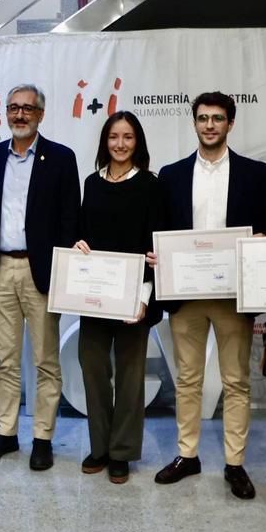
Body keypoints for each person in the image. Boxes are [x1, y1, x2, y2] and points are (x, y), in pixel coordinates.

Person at [150, 91, 266, 499]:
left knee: (236, 381)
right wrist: (155, 256)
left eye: (217, 118)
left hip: (232, 294)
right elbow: (159, 229)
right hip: (184, 294)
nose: (209, 125)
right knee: (187, 379)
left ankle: (234, 464)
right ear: (194, 123)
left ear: (230, 124)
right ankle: (187, 455)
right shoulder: (170, 175)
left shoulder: (256, 174)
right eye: (203, 118)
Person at [0, 83, 80, 471]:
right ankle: (5, 433)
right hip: (0, 270)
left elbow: (70, 219)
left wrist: (63, 274)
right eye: (13, 108)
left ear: (41, 114)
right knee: (4, 360)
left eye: (28, 109)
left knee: (46, 361)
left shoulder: (61, 158)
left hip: (42, 272)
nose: (20, 115)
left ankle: (42, 438)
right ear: (6, 112)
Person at [73, 111, 163, 484]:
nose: (120, 144)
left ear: (137, 142)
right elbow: (84, 231)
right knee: (92, 367)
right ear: (104, 141)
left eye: (127, 137)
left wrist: (144, 297)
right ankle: (100, 446)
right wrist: (78, 245)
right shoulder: (92, 183)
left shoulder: (150, 185)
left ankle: (122, 452)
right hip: (95, 296)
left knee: (130, 376)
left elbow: (153, 244)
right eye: (114, 137)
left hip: (133, 299)